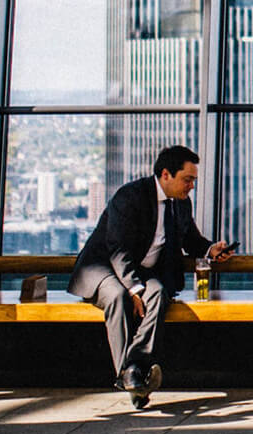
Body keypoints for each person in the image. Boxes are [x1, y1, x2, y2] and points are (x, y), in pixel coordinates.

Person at [67, 145, 234, 409]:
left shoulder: (181, 203)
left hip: (140, 272)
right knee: (119, 296)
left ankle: (132, 371)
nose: (191, 186)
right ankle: (134, 376)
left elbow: (190, 238)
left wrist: (210, 249)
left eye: (193, 180)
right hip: (102, 267)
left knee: (158, 293)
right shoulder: (130, 196)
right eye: (187, 179)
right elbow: (117, 249)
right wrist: (134, 288)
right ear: (166, 174)